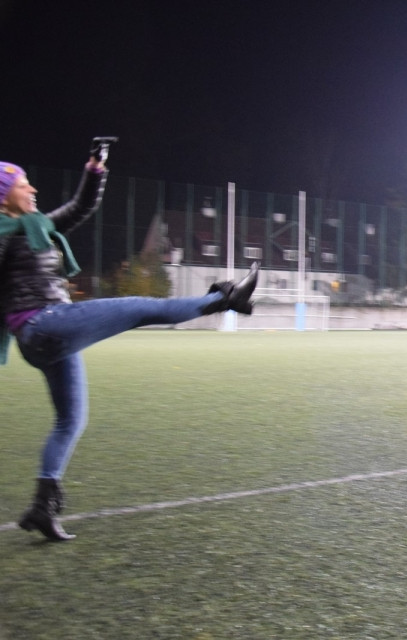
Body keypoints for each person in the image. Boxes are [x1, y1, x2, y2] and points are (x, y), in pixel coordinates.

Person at [0, 151, 259, 541]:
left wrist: (94, 169)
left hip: (49, 333)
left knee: (71, 419)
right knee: (141, 308)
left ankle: (42, 505)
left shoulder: (38, 226)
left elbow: (81, 206)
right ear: (4, 196)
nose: (33, 188)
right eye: (23, 185)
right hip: (42, 325)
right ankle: (224, 299)